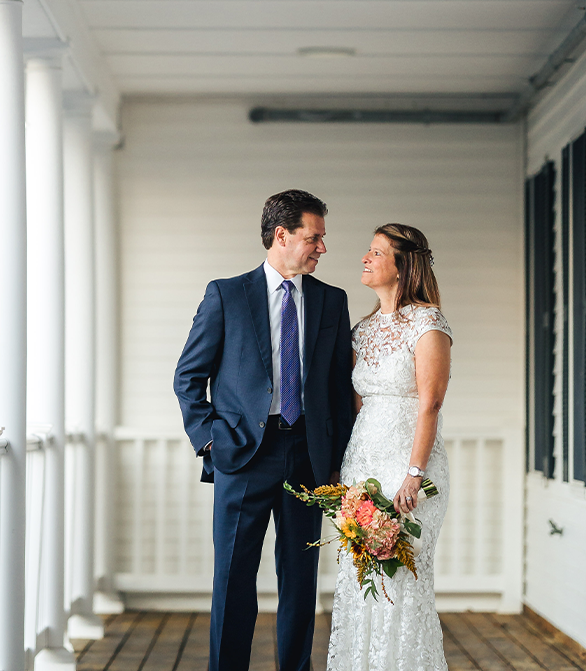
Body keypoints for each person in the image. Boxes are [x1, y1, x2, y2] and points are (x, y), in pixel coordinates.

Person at [174, 189, 354, 671]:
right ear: (282, 235)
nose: (321, 248)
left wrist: (339, 463)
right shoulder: (226, 295)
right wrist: (210, 439)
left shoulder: (332, 302)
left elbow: (339, 391)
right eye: (313, 237)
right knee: (233, 581)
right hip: (243, 455)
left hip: (308, 456)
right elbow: (188, 377)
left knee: (300, 583)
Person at [328, 224, 453, 671]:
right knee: (360, 576)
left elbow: (431, 402)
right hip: (363, 463)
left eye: (376, 253)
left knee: (402, 580)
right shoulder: (361, 331)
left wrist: (414, 473)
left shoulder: (428, 323)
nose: (365, 258)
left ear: (402, 268)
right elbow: (358, 406)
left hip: (410, 467)